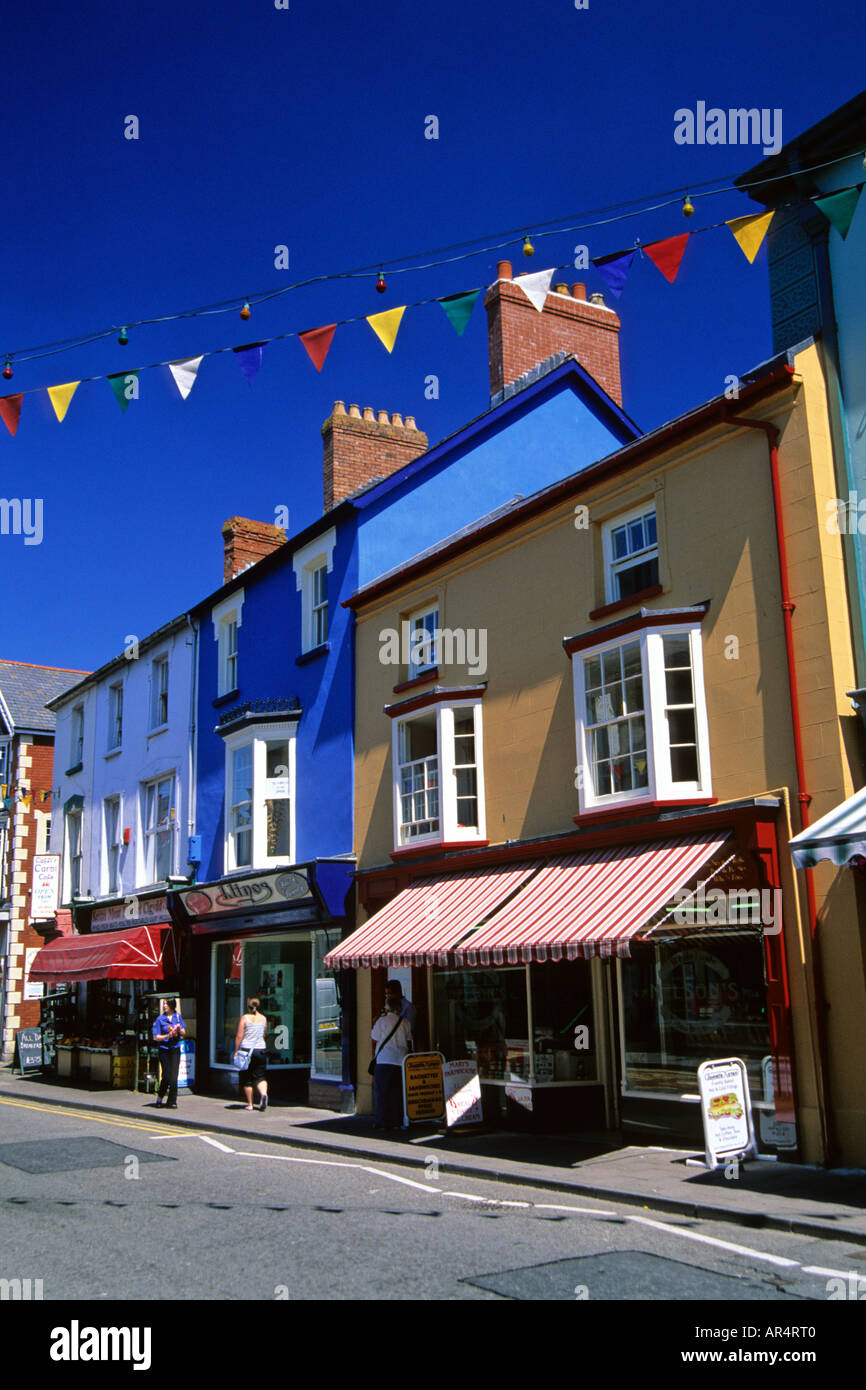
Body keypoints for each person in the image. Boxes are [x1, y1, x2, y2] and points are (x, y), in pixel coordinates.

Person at [370, 984, 413, 1131]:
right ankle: (396, 1120)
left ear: (387, 1007)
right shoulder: (405, 1022)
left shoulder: (381, 1021)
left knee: (382, 1093)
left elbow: (374, 1038)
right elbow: (408, 1040)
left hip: (384, 1061)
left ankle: (382, 1121)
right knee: (396, 1093)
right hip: (400, 1061)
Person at [235, 997, 269, 1112]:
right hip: (261, 1050)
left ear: (248, 1006)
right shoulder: (264, 1019)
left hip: (246, 1050)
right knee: (260, 1076)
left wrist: (236, 1051)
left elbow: (239, 1036)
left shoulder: (245, 1018)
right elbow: (264, 1035)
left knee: (247, 1078)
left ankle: (250, 1104)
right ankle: (263, 1094)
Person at [152, 997, 186, 1109]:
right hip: (164, 1049)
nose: (164, 1006)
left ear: (172, 1005)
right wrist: (168, 1036)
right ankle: (160, 1097)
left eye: (166, 1004)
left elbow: (184, 1032)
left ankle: (172, 1101)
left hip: (175, 1048)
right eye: (164, 1004)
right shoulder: (160, 1019)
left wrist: (179, 1029)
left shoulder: (178, 1017)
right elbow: (156, 1037)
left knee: (174, 1076)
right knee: (166, 1075)